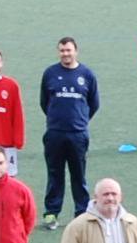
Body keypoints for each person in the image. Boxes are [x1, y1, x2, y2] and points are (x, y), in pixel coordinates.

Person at [38, 38, 101, 220]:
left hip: (78, 134)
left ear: (76, 51)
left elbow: (94, 103)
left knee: (78, 175)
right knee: (54, 174)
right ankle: (51, 212)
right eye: (62, 50)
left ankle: (81, 213)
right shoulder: (50, 73)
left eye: (69, 50)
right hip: (55, 133)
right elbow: (44, 102)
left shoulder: (87, 74)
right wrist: (55, 118)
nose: (66, 54)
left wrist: (80, 120)